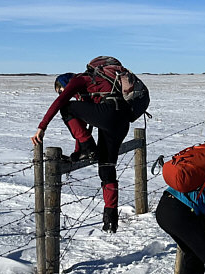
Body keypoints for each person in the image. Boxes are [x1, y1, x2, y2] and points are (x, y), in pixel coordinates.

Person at [31, 69, 131, 233]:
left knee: (66, 108)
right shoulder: (92, 90)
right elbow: (86, 126)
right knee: (107, 167)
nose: (62, 93)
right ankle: (110, 218)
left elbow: (59, 103)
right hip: (121, 122)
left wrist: (42, 127)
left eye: (61, 90)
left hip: (108, 115)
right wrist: (79, 151)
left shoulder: (78, 81)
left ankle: (88, 148)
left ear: (64, 83)